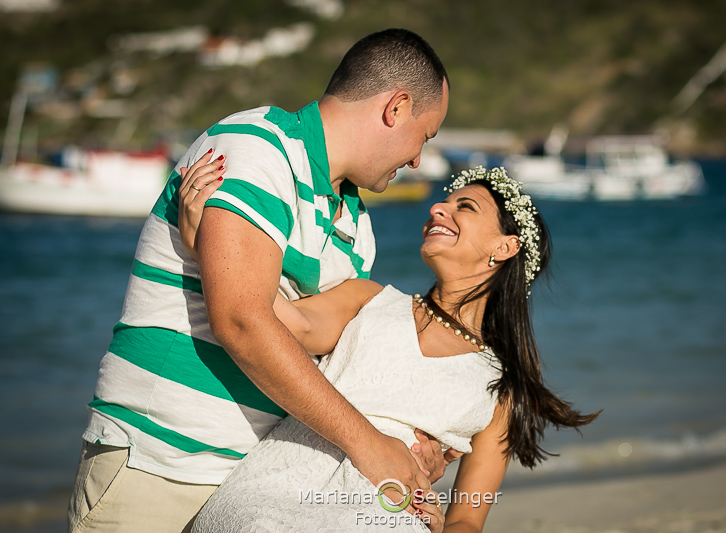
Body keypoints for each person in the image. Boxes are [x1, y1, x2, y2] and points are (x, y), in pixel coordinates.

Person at [68, 28, 451, 533]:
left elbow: (324, 356)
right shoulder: (256, 148)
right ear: (396, 108)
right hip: (158, 461)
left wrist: (410, 437)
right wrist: (369, 446)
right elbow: (242, 321)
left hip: (253, 488)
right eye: (424, 137)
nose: (418, 159)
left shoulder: (357, 227)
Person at [178, 163, 599, 532]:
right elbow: (283, 320)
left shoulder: (502, 385)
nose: (437, 209)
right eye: (444, 203)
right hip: (274, 490)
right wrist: (207, 244)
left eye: (464, 207)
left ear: (504, 247)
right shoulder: (369, 299)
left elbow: (469, 515)